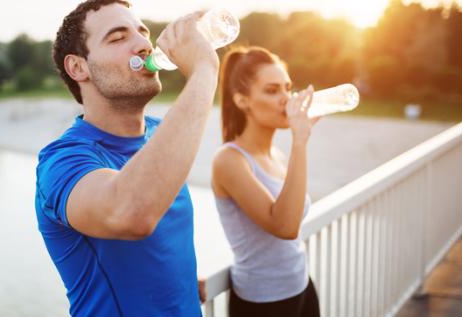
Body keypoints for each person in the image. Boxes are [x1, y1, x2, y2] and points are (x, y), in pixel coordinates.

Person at [34, 1, 219, 316]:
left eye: (142, 32)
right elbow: (132, 213)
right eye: (118, 38)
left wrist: (180, 281)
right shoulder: (61, 162)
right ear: (78, 67)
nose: (144, 45)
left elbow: (159, 244)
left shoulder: (161, 134)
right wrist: (204, 69)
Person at [211, 46, 321, 316]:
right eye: (272, 91)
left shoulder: (277, 155)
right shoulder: (229, 160)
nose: (286, 98)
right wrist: (300, 140)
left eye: (287, 87)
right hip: (263, 302)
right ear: (242, 101)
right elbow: (285, 226)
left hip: (301, 286)